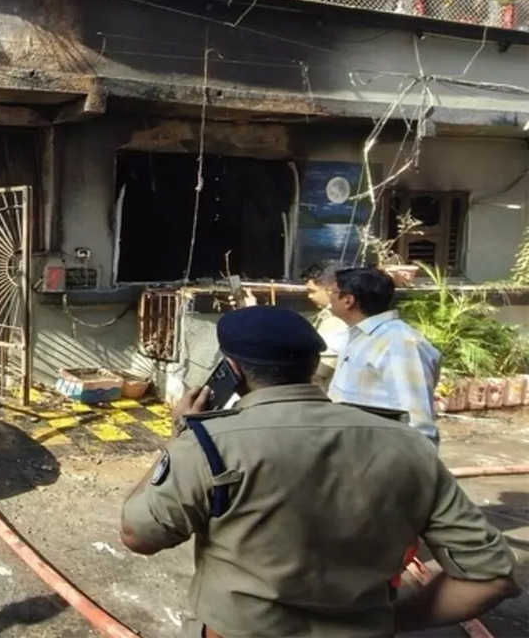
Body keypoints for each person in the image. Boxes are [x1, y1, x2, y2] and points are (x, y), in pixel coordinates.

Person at [120, 306, 518, 637]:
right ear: (314, 365)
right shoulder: (407, 443)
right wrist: (392, 622)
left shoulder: (208, 444)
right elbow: (491, 576)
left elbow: (138, 535)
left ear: (232, 371)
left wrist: (178, 437)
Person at [327, 266, 441, 445]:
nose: (329, 297)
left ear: (348, 300)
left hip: (383, 455)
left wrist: (416, 468)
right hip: (357, 449)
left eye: (333, 291)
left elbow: (417, 421)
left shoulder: (400, 343)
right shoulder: (358, 335)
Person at [302, 260, 349, 389]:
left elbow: (320, 370)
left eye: (313, 291)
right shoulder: (330, 316)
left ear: (329, 288)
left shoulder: (335, 320)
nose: (310, 296)